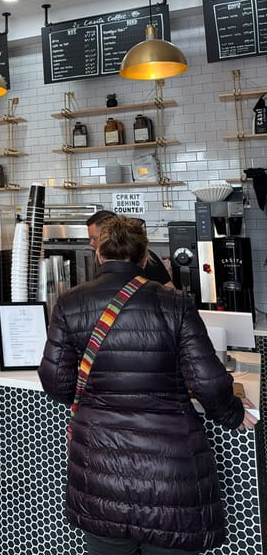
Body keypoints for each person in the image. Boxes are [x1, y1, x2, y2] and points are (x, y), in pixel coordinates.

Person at [38, 215, 257, 555]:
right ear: (144, 258)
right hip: (170, 478)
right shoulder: (175, 303)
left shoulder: (70, 302)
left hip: (100, 476)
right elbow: (207, 383)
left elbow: (55, 382)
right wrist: (231, 413)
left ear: (99, 255)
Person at [87, 209, 174, 287]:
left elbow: (169, 289)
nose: (91, 243)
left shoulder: (142, 256)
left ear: (107, 234)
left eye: (94, 238)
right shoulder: (100, 261)